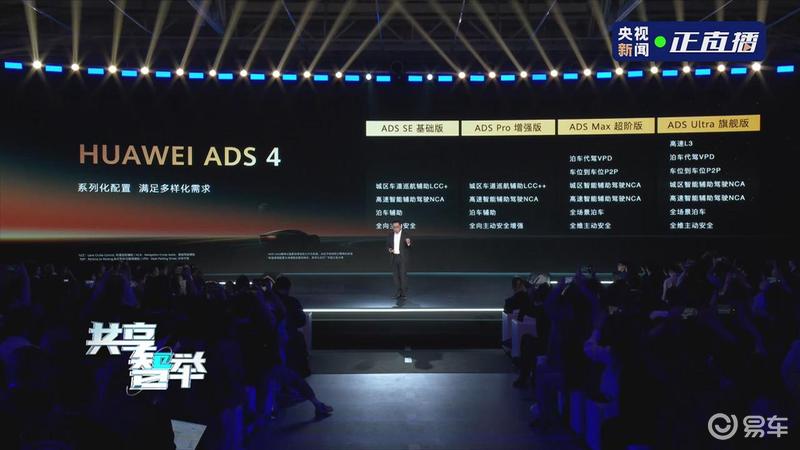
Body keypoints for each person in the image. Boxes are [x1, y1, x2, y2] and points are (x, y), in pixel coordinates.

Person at [386, 220, 412, 306]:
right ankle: (398, 293)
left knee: (403, 276)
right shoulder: (390, 235)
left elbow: (409, 246)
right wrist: (390, 249)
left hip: (402, 258)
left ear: (400, 226)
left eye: (397, 227)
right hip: (394, 257)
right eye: (394, 227)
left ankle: (403, 294)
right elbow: (388, 245)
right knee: (396, 276)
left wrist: (408, 243)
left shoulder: (406, 234)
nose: (395, 228)